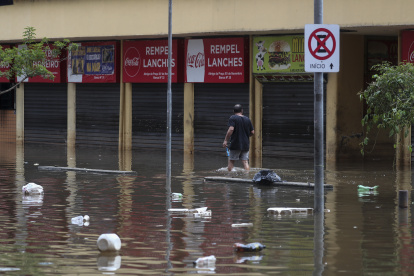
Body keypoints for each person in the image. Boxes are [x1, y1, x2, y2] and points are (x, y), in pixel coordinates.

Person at [222, 104, 254, 171]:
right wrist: (245, 136)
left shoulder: (233, 118)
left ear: (233, 111)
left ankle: (230, 177)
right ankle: (247, 176)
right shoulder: (247, 119)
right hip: (245, 144)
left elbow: (231, 129)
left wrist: (225, 140)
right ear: (242, 110)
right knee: (245, 162)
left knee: (231, 161)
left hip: (235, 143)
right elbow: (252, 132)